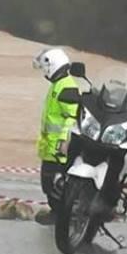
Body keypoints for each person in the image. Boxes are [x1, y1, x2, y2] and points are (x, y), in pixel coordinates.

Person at [32, 48, 79, 225]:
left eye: (45, 68)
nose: (44, 72)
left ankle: (60, 215)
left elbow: (72, 118)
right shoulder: (59, 84)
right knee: (49, 182)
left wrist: (63, 141)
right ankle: (57, 212)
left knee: (55, 183)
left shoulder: (66, 86)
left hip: (59, 147)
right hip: (51, 146)